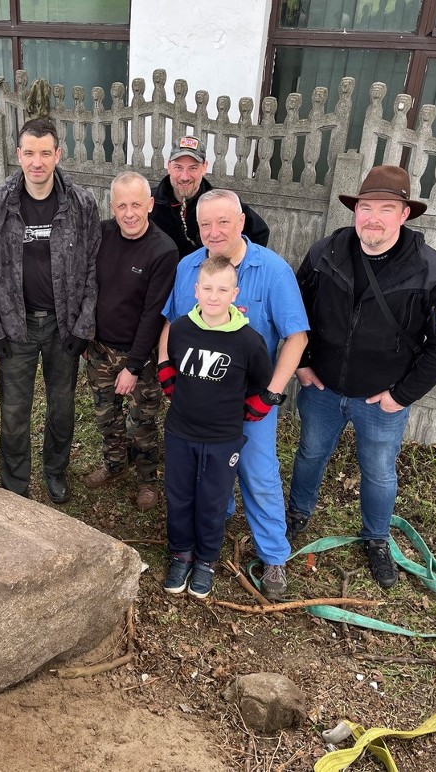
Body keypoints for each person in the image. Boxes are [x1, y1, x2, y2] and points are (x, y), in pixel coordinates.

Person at [288, 165, 436, 588]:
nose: (373, 217)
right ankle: (296, 513)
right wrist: (302, 362)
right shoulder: (324, 254)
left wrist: (401, 395)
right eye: (366, 207)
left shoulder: (432, 271)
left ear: (404, 214)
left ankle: (376, 538)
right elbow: (295, 312)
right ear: (355, 211)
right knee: (311, 453)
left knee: (379, 471)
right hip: (323, 388)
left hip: (381, 401)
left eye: (386, 209)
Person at [160, 189, 308, 599]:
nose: (213, 231)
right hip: (201, 399)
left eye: (223, 222)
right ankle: (210, 533)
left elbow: (296, 337)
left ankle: (274, 557)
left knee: (258, 475)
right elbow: (172, 322)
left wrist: (272, 395)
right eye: (205, 223)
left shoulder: (272, 270)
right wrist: (165, 370)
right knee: (204, 475)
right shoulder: (191, 267)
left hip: (251, 403)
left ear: (242, 222)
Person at [0, 117, 100, 503]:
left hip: (63, 328)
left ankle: (55, 470)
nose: (37, 161)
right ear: (18, 154)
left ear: (57, 154)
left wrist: (83, 325)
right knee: (14, 413)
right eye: (29, 152)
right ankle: (15, 483)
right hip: (17, 327)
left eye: (45, 153)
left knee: (61, 408)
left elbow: (94, 266)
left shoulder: (81, 204)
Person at [161, 255, 273, 597]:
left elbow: (261, 383)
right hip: (180, 432)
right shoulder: (180, 328)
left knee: (212, 500)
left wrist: (251, 412)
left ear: (234, 293)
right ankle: (181, 553)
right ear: (196, 290)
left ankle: (206, 559)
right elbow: (170, 367)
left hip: (223, 438)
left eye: (222, 289)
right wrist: (172, 390)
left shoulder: (248, 340)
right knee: (179, 495)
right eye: (207, 288)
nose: (213, 295)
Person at [82, 171, 179, 510]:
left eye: (136, 204)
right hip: (99, 350)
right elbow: (87, 286)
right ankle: (114, 465)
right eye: (121, 205)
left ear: (150, 204)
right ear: (112, 207)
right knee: (106, 417)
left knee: (140, 423)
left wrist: (134, 367)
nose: (129, 213)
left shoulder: (163, 250)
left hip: (141, 356)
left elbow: (154, 313)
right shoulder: (102, 235)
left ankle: (147, 480)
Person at [151, 136, 270, 257]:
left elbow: (260, 233)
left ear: (204, 167)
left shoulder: (221, 202)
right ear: (169, 166)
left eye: (193, 168)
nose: (184, 177)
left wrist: (234, 267)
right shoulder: (149, 201)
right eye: (178, 167)